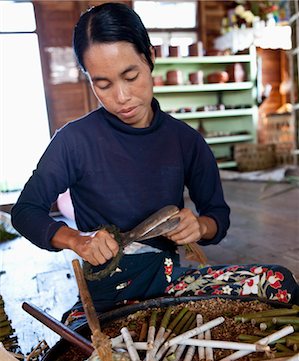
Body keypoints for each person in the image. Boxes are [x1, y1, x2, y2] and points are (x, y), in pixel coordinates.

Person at [11, 3, 298, 325]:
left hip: (172, 282)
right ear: (88, 79)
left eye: (130, 76)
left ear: (149, 57)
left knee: (277, 283)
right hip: (108, 296)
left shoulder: (185, 141)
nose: (121, 96)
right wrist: (77, 240)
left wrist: (200, 226)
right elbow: (25, 212)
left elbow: (218, 218)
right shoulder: (74, 141)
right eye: (102, 84)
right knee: (82, 352)